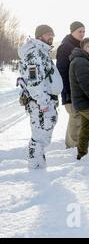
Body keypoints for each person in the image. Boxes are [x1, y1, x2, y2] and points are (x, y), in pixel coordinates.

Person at [17, 25, 63, 169]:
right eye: (48, 34)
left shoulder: (41, 51)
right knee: (40, 135)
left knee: (43, 134)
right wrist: (43, 102)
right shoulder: (35, 53)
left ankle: (38, 164)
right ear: (39, 36)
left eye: (52, 34)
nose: (51, 37)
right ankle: (35, 167)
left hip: (45, 100)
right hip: (40, 103)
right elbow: (34, 81)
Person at [56, 21, 85, 148]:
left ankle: (73, 145)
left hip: (79, 89)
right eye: (80, 31)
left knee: (78, 118)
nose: (82, 34)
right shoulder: (65, 47)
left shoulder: (80, 45)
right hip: (70, 91)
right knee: (75, 118)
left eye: (84, 31)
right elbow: (61, 71)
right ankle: (73, 147)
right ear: (72, 31)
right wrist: (66, 92)